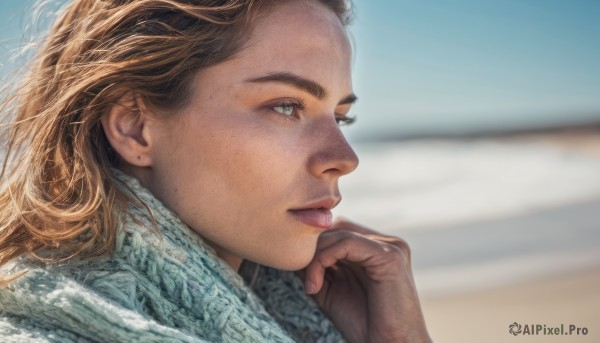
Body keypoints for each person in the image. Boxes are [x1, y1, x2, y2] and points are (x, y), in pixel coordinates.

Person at [0, 0, 432, 342]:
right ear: (134, 128)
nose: (345, 157)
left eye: (339, 117)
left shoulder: (298, 317)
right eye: (286, 106)